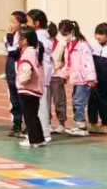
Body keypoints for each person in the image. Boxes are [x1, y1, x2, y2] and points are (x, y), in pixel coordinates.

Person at [59, 20, 96, 137]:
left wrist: (91, 78)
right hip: (76, 78)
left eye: (66, 33)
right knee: (76, 101)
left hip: (84, 79)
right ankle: (77, 126)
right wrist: (64, 75)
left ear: (72, 31)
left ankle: (81, 127)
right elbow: (68, 63)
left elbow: (88, 62)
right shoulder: (68, 45)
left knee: (79, 102)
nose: (65, 36)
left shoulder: (82, 45)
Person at [15, 26, 46, 148]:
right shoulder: (33, 51)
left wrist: (22, 81)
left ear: (27, 40)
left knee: (29, 116)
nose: (18, 41)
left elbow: (27, 68)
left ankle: (34, 140)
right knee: (33, 115)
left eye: (21, 38)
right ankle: (39, 138)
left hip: (28, 89)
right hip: (33, 89)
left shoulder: (28, 53)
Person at [27, 9, 54, 141]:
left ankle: (43, 133)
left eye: (28, 21)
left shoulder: (37, 36)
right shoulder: (45, 35)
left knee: (39, 104)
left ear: (36, 23)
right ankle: (43, 131)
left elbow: (36, 56)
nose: (26, 24)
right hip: (44, 72)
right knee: (42, 103)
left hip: (40, 73)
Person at [4, 10, 27, 137]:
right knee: (14, 101)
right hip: (11, 72)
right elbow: (9, 50)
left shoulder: (24, 36)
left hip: (21, 72)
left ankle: (28, 126)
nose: (11, 24)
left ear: (21, 23)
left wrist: (10, 37)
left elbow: (14, 52)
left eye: (13, 21)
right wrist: (9, 36)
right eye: (10, 21)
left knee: (23, 100)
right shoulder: (10, 35)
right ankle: (16, 125)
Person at [49, 20, 69, 133]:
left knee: (59, 100)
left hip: (57, 75)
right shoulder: (40, 43)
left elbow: (65, 60)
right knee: (45, 101)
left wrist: (60, 67)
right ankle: (47, 122)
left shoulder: (62, 44)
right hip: (44, 77)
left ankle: (62, 123)